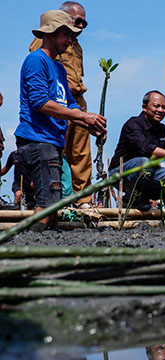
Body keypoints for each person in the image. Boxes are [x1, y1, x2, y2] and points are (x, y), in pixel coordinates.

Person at [15, 10, 106, 228]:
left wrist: (87, 123)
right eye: (65, 34)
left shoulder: (58, 67)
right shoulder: (36, 60)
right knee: (46, 206)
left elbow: (69, 103)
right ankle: (26, 246)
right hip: (38, 139)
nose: (70, 40)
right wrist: (82, 115)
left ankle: (40, 244)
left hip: (52, 141)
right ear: (50, 34)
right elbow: (40, 103)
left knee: (53, 208)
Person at [29, 2, 93, 209]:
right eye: (78, 21)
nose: (82, 26)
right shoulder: (42, 45)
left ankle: (83, 199)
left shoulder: (77, 46)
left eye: (85, 22)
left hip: (76, 101)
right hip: (56, 103)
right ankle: (54, 200)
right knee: (56, 150)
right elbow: (40, 76)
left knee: (81, 153)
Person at [109, 91, 165, 210]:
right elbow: (146, 148)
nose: (160, 110)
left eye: (164, 107)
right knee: (144, 162)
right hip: (121, 173)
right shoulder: (133, 124)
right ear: (144, 107)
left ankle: (146, 197)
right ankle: (132, 197)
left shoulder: (163, 130)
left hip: (150, 173)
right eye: (156, 106)